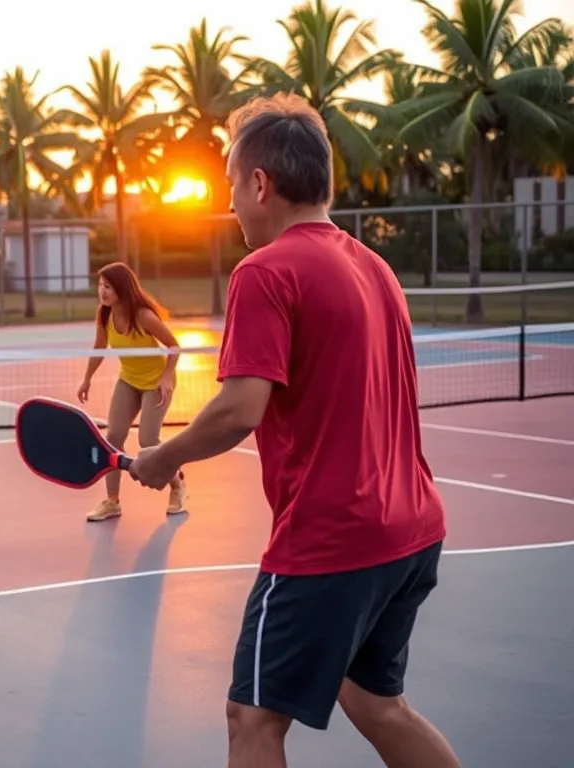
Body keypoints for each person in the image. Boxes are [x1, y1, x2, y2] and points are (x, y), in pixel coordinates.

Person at [128, 94, 460, 768]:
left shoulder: (266, 271)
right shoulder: (377, 269)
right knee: (377, 704)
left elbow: (241, 408)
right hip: (412, 530)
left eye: (230, 187)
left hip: (331, 540)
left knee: (251, 719)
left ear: (260, 182)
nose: (231, 206)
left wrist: (164, 457)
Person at [78, 261, 188, 522]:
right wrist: (87, 379)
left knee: (148, 442)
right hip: (129, 380)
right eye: (100, 286)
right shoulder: (105, 315)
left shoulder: (143, 316)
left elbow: (174, 346)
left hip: (155, 384)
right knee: (112, 438)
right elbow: (99, 346)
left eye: (108, 287)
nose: (102, 292)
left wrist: (166, 378)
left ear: (122, 289)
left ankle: (177, 484)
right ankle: (112, 501)